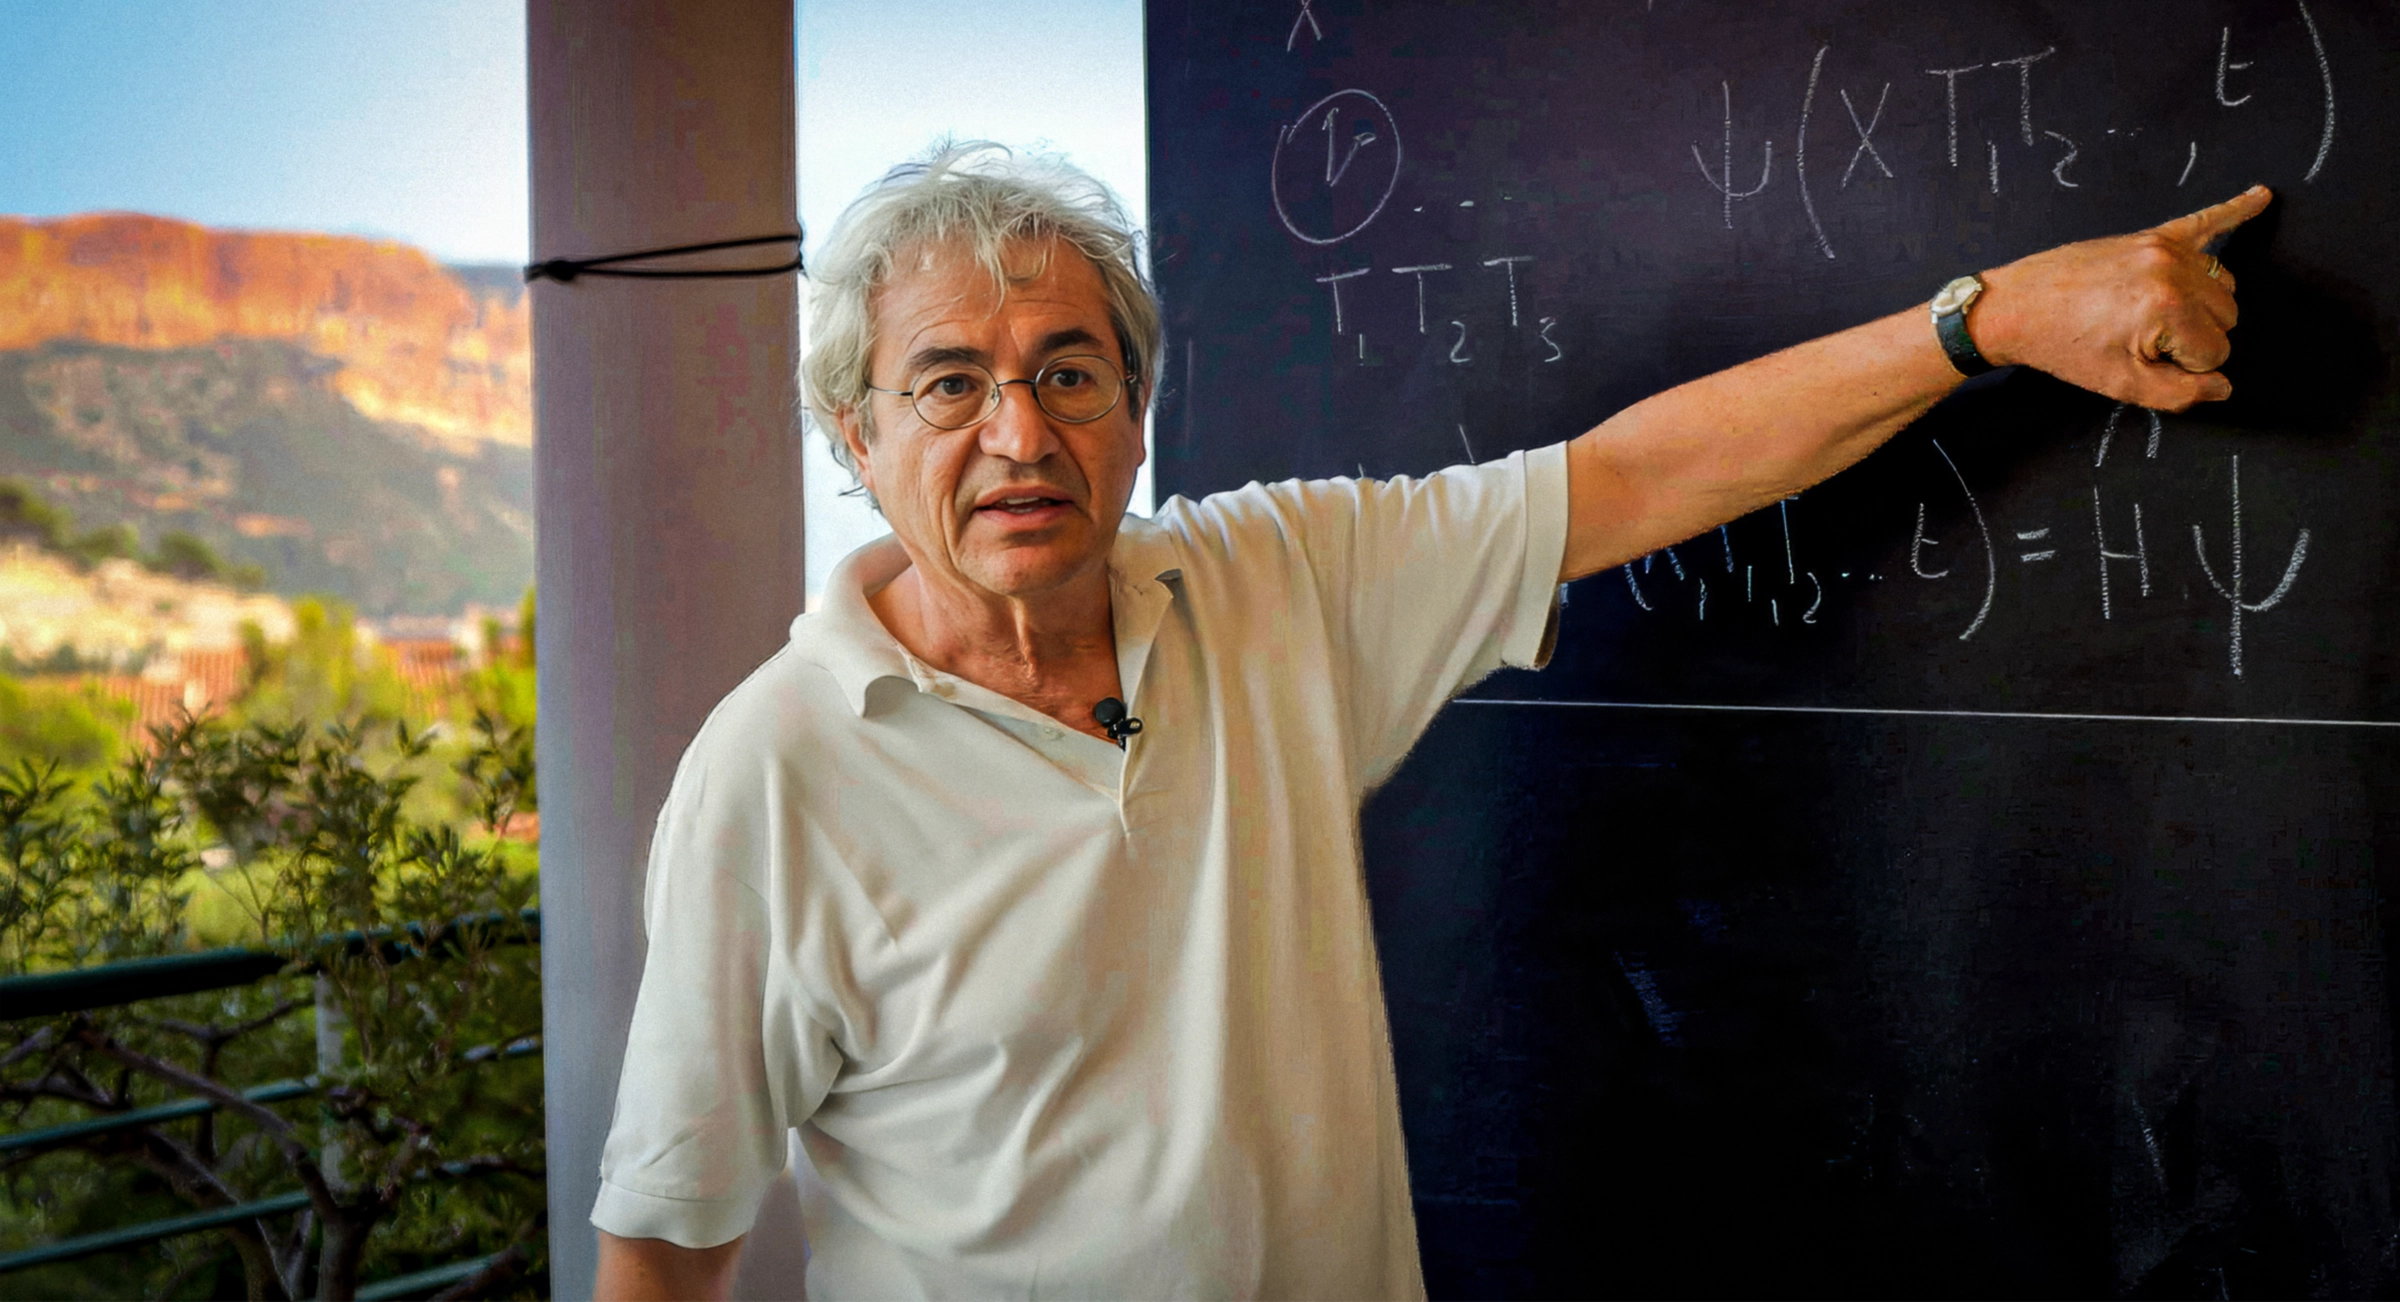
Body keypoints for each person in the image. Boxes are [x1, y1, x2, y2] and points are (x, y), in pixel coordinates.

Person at [588, 143, 2267, 1301]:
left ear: (1137, 404)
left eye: (1070, 371)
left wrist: (1990, 320)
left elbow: (1635, 475)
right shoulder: (772, 769)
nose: (1019, 430)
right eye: (950, 381)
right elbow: (666, 1240)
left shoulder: (1273, 580)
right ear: (854, 430)